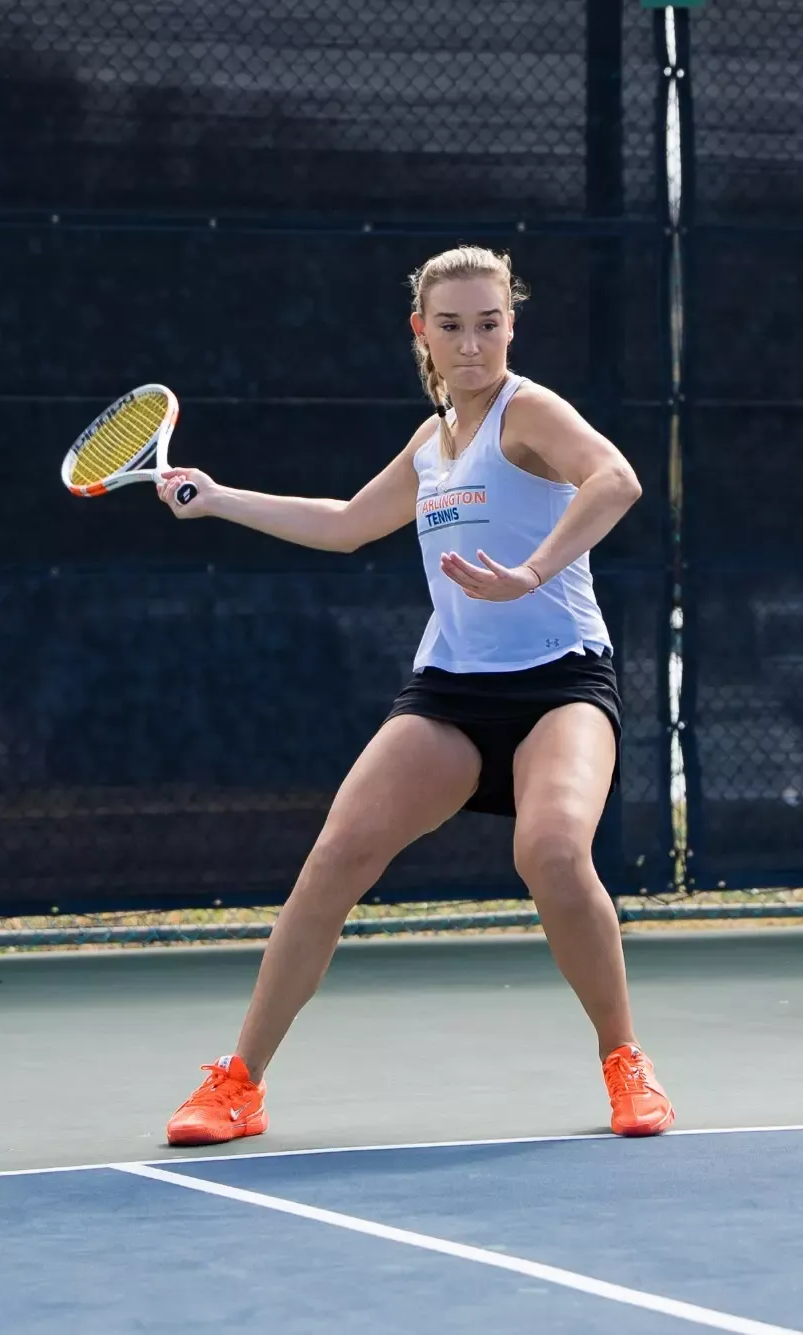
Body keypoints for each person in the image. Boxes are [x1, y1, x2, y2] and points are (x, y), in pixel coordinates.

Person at [153, 245, 674, 1145]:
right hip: (450, 691)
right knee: (336, 855)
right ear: (421, 334)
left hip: (561, 680)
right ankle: (238, 1084)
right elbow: (349, 523)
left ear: (511, 324)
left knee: (550, 851)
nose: (472, 344)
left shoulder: (530, 411)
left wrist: (534, 569)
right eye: (452, 326)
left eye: (489, 323)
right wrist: (219, 497)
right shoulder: (431, 442)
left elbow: (617, 478)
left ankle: (625, 1060)